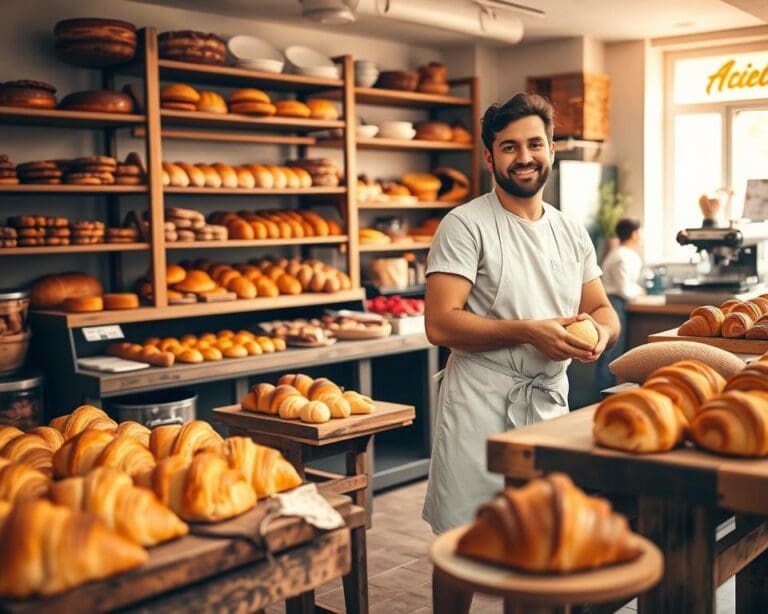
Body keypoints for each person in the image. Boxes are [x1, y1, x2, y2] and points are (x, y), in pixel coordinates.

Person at [421, 93, 620, 534]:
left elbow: (603, 309)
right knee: (463, 538)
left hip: (549, 405)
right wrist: (531, 332)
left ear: (552, 150)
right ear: (490, 158)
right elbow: (440, 323)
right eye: (509, 147)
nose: (524, 157)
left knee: (539, 538)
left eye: (534, 144)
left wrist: (598, 335)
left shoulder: (570, 231)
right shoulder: (465, 224)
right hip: (479, 406)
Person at [596, 217, 645, 392]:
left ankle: (608, 391)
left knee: (614, 351)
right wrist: (639, 292)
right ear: (633, 234)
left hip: (619, 302)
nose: (641, 235)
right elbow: (623, 287)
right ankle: (604, 394)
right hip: (615, 303)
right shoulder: (621, 256)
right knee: (612, 352)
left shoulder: (622, 253)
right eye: (639, 231)